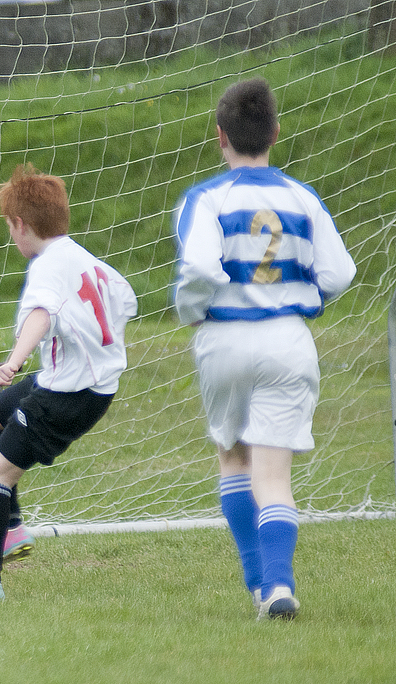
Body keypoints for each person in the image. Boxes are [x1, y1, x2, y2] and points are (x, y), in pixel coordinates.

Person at [173, 78, 356, 619]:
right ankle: (280, 587)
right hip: (288, 340)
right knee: (274, 474)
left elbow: (202, 267)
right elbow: (340, 272)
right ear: (275, 133)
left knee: (233, 456)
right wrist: (300, 295)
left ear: (219, 136)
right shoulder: (302, 197)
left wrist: (191, 308)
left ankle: (258, 587)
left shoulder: (205, 199)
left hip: (224, 339)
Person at [0, 163, 137, 601]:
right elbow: (126, 299)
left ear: (21, 224)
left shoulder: (47, 267)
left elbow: (40, 314)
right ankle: (12, 530)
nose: (11, 236)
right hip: (75, 381)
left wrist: (12, 362)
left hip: (68, 395)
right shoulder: (86, 260)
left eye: (9, 228)